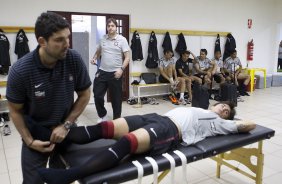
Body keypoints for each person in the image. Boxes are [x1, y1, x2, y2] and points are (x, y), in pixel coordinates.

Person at [37, 101, 256, 184]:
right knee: (104, 128)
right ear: (215, 103)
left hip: (170, 131)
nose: (223, 109)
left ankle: (69, 175)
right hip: (156, 117)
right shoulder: (200, 108)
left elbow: (249, 125)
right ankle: (48, 134)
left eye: (227, 111)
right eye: (223, 106)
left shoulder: (218, 122)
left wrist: (232, 120)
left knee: (126, 142)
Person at [6, 12, 92, 184]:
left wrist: (66, 125)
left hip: (65, 131)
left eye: (67, 38)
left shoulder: (73, 59)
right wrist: (30, 142)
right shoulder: (21, 71)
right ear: (42, 41)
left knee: (61, 179)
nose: (67, 44)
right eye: (59, 40)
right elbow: (15, 111)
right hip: (36, 134)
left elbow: (85, 94)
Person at [91, 18, 130, 122]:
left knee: (116, 99)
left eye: (112, 26)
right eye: (108, 26)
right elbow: (99, 50)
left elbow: (127, 57)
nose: (110, 28)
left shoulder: (122, 40)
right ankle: (102, 115)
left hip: (115, 73)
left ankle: (116, 120)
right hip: (102, 71)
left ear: (116, 27)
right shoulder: (103, 39)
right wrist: (95, 57)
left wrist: (121, 70)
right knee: (97, 95)